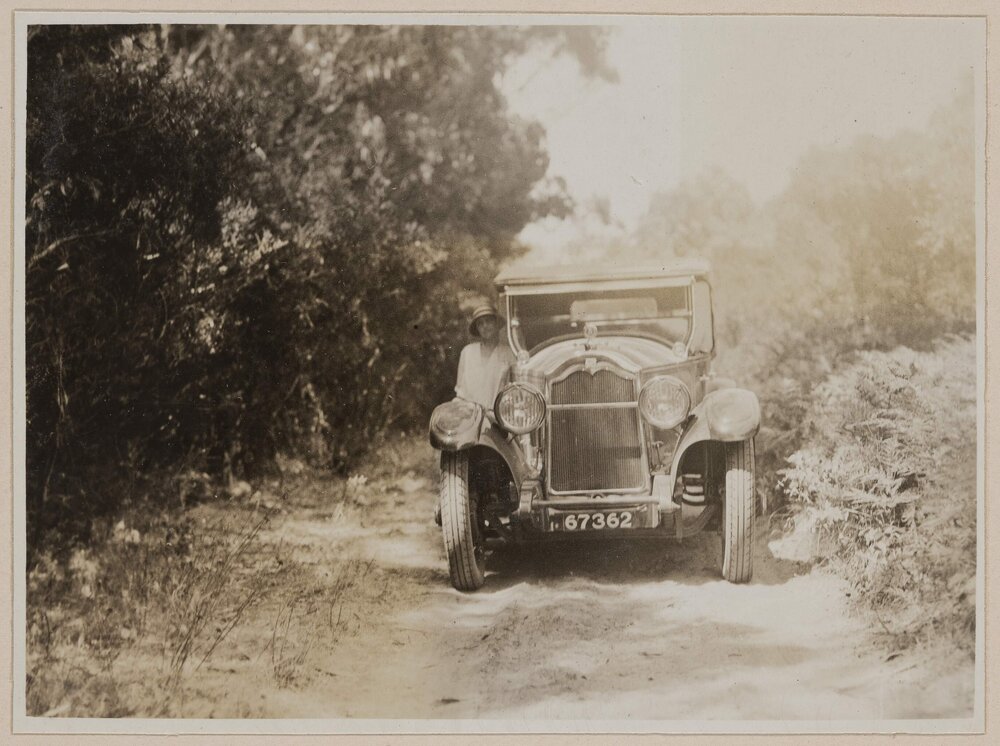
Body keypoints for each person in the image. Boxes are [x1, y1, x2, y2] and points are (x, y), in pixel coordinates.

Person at [455, 302, 516, 413]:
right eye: (480, 323)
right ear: (477, 329)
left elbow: (515, 391)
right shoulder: (467, 352)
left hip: (497, 416)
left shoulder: (508, 353)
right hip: (468, 415)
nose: (485, 326)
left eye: (488, 321)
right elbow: (460, 391)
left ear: (496, 323)